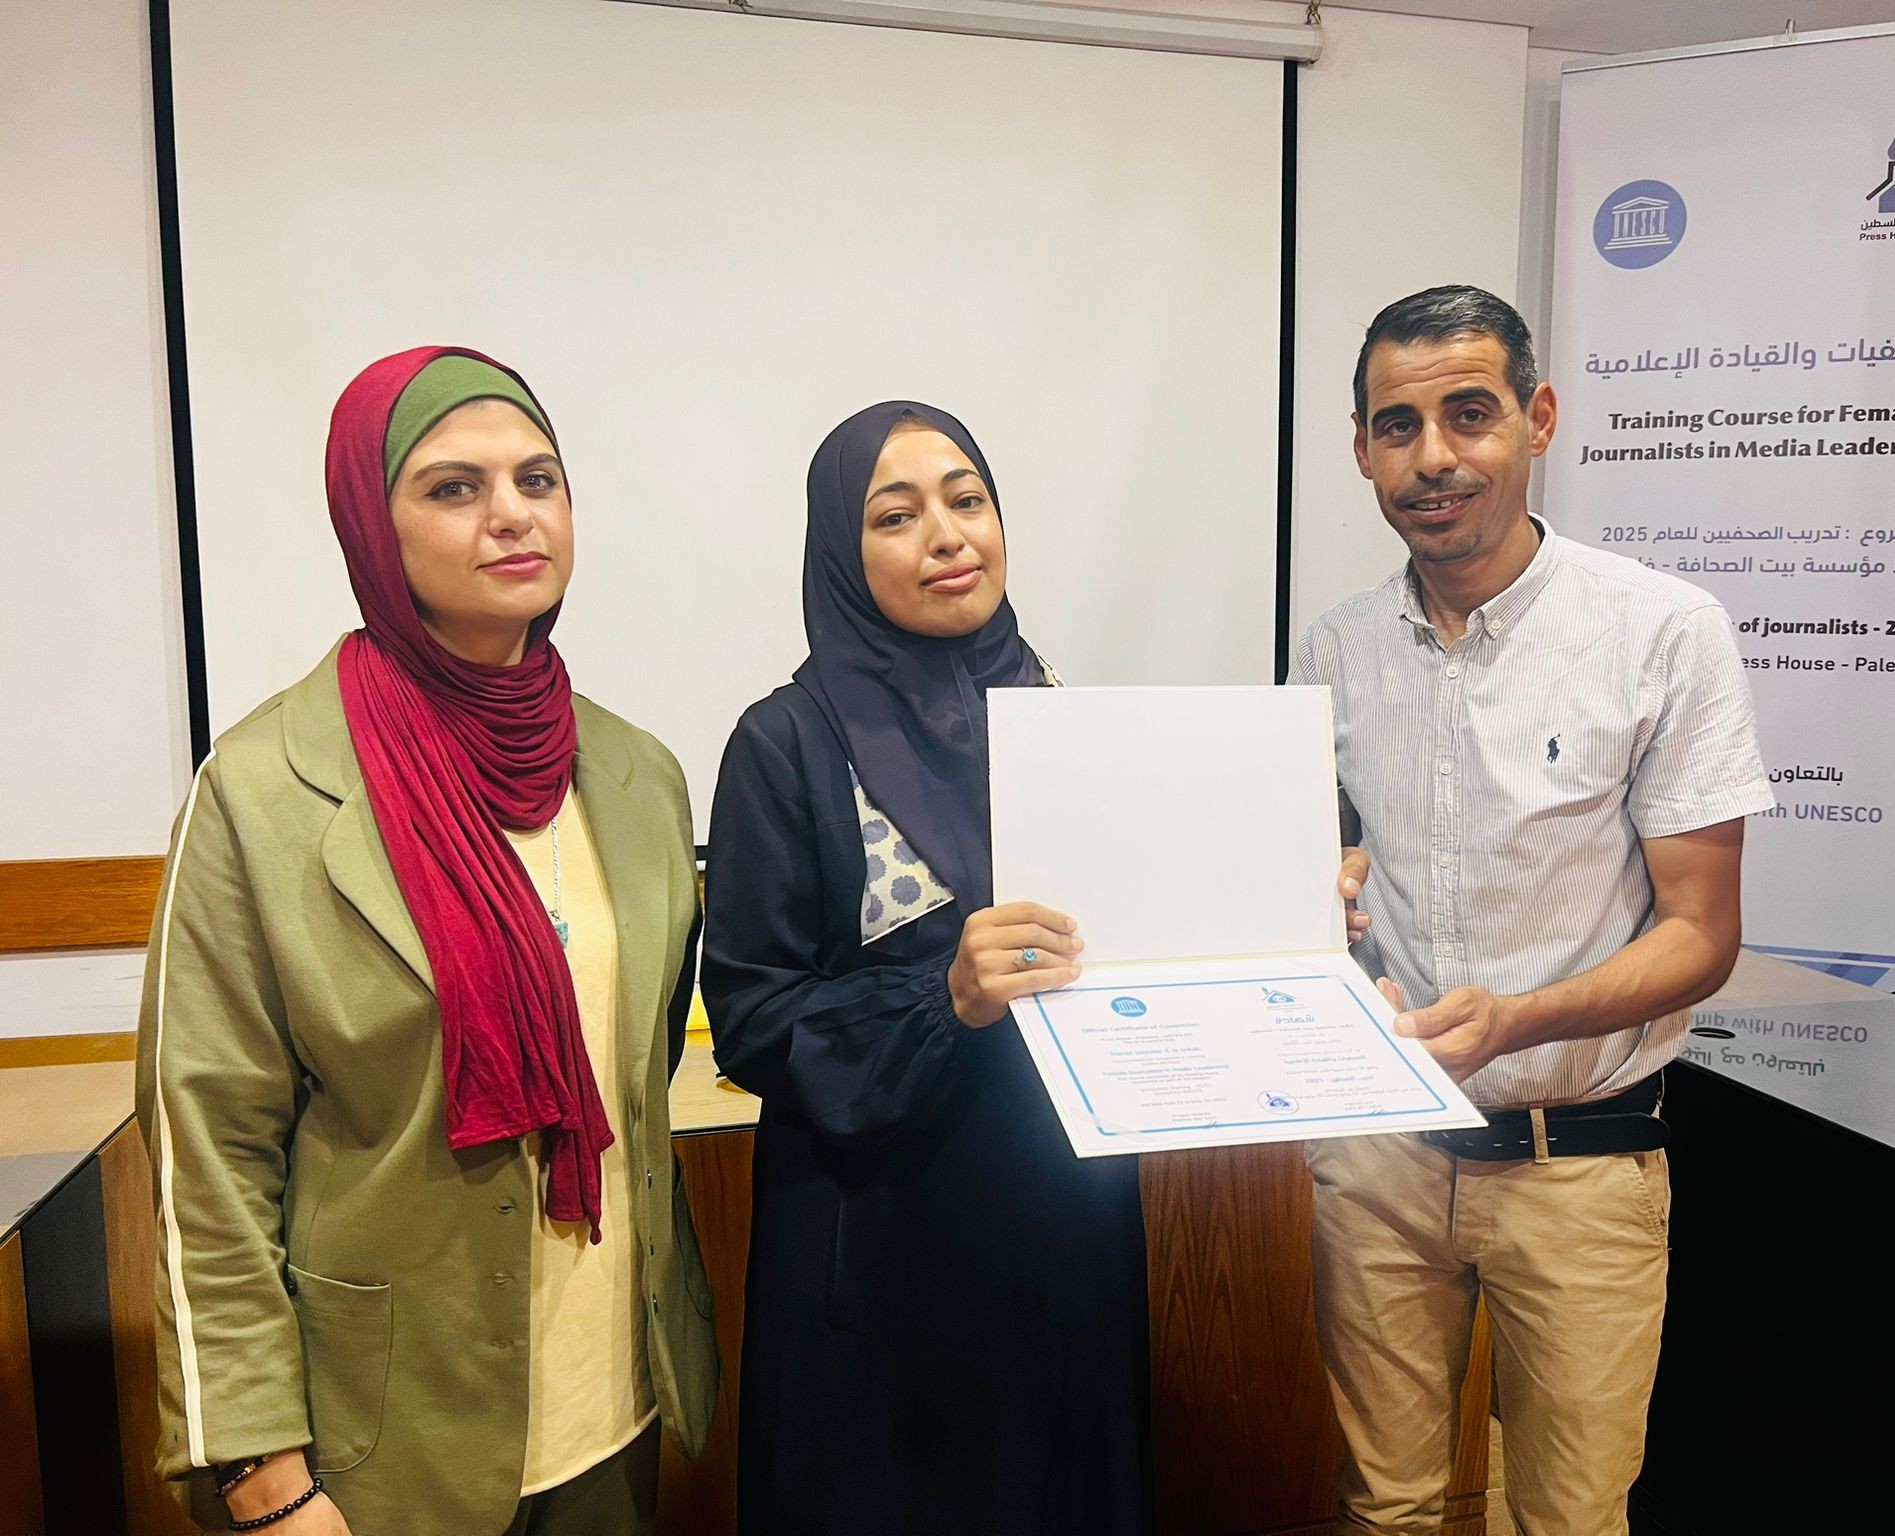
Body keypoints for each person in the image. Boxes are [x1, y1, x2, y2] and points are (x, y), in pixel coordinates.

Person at [135, 347, 717, 1534]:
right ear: (371, 524)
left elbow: (639, 1066)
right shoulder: (261, 791)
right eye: (453, 487)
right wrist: (263, 1474)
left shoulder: (637, 775)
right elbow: (209, 1153)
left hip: (612, 1406)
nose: (511, 513)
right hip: (381, 1449)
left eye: (537, 479)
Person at [1293, 286, 1772, 1534]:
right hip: (1380, 1161)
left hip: (1580, 1168)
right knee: (1384, 1510)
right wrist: (1321, 895)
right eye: (1396, 426)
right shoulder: (1333, 650)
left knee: (1567, 1519)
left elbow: (1700, 936)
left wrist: (1515, 1019)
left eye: (1468, 413)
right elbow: (1327, 873)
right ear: (1361, 451)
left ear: (1536, 418)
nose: (1431, 457)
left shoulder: (1661, 633)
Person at [702, 401, 1153, 1535]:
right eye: (895, 516)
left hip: (1063, 1222)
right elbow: (752, 1016)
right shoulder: (786, 742)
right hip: (879, 1248)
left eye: (967, 500)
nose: (947, 536)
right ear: (840, 553)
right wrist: (941, 998)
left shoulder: (1062, 714)